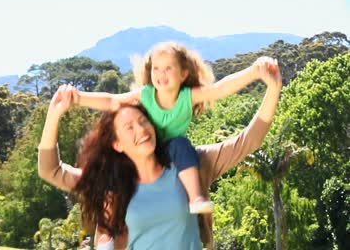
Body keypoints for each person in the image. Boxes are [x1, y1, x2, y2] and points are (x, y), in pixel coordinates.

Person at [38, 63, 282, 249]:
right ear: (117, 144)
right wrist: (55, 114)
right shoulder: (109, 183)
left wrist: (273, 88)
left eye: (143, 121)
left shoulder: (190, 165)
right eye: (129, 128)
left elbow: (249, 140)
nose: (141, 130)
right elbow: (51, 170)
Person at [72, 41, 276, 215]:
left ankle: (195, 198)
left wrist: (253, 72)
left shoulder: (187, 97)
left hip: (170, 153)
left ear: (183, 73)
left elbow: (220, 89)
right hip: (144, 151)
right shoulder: (146, 95)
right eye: (156, 68)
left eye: (169, 68)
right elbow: (111, 101)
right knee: (115, 168)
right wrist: (78, 98)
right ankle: (108, 224)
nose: (161, 74)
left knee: (181, 144)